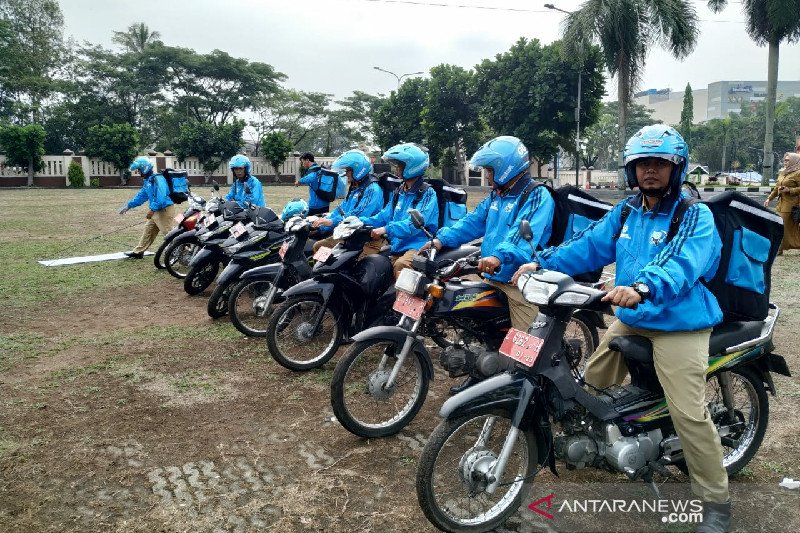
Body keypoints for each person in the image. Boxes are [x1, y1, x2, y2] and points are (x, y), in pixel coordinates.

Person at [512, 125, 730, 533]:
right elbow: (588, 245)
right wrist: (541, 263)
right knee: (588, 384)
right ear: (631, 170)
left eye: (659, 163)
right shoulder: (627, 212)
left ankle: (715, 503)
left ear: (676, 168)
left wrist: (644, 286)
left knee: (689, 414)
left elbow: (683, 262)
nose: (650, 171)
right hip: (633, 320)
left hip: (679, 325)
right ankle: (608, 444)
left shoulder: (693, 215)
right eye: (642, 164)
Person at [420, 135, 555, 333]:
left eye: (490, 171)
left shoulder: (536, 195)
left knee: (525, 349)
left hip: (520, 283)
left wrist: (498, 256)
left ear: (506, 168)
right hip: (493, 276)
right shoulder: (498, 195)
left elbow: (520, 235)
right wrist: (441, 240)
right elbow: (472, 222)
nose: (487, 176)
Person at [360, 143, 438, 278]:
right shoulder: (399, 191)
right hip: (397, 245)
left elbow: (414, 225)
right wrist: (358, 222)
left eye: (400, 165)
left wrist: (386, 229)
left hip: (418, 245)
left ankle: (403, 299)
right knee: (370, 263)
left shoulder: (427, 193)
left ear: (412, 166)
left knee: (401, 265)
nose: (397, 169)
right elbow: (383, 216)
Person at [311, 149, 383, 252]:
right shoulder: (355, 188)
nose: (346, 174)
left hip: (365, 237)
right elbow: (341, 209)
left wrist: (332, 221)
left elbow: (358, 215)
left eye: (348, 170)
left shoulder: (372, 189)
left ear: (358, 170)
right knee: (319, 247)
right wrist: (320, 225)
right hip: (348, 233)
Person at [118, 157, 178, 258]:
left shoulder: (158, 178)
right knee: (148, 230)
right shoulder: (148, 180)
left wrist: (152, 209)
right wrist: (128, 205)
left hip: (164, 210)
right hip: (156, 210)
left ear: (145, 168)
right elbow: (141, 196)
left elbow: (161, 197)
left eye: (139, 170)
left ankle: (181, 251)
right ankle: (138, 252)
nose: (138, 172)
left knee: (168, 233)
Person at [764, 152, 800, 254]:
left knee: (784, 228)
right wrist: (769, 199)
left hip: (791, 205)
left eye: (787, 160)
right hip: (780, 204)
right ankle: (779, 248)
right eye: (784, 160)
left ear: (794, 161)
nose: (785, 162)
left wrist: (789, 190)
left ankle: (779, 249)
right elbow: (776, 188)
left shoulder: (798, 173)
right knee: (781, 227)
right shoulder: (783, 172)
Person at [296, 152, 330, 216]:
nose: (302, 164)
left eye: (302, 162)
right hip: (325, 202)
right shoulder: (320, 169)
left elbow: (310, 178)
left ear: (307, 160)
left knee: (313, 224)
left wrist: (299, 181)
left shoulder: (313, 170)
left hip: (316, 204)